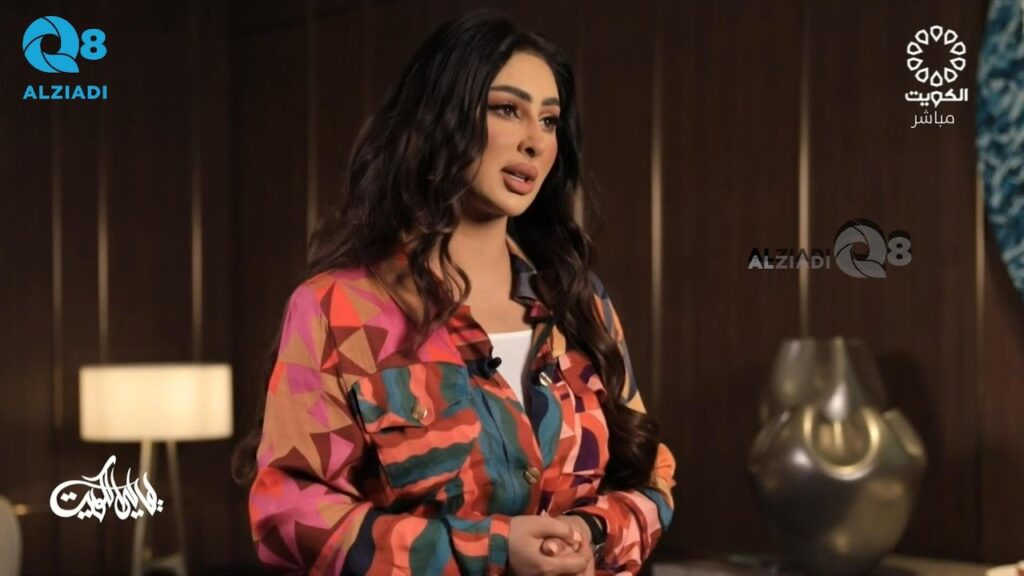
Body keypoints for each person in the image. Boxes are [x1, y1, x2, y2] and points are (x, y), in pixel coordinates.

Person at [241, 9, 676, 575]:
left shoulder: (580, 301)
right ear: (440, 117)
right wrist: (492, 550)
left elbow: (651, 475)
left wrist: (589, 533)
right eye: (507, 110)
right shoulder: (336, 309)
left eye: (549, 121)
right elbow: (289, 515)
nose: (534, 142)